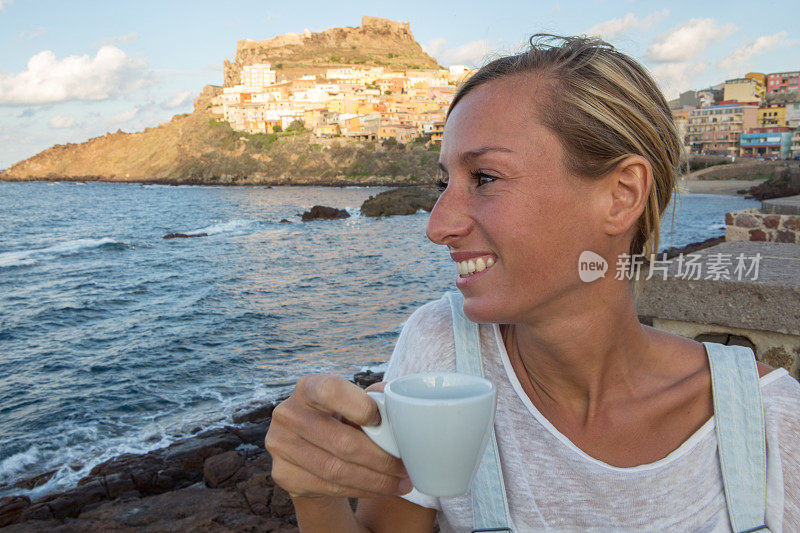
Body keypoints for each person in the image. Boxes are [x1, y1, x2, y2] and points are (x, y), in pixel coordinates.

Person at [265, 35, 800, 531]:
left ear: (620, 195)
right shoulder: (440, 352)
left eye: (485, 178)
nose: (437, 225)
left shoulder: (771, 424)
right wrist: (314, 489)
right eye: (443, 182)